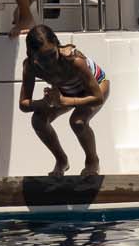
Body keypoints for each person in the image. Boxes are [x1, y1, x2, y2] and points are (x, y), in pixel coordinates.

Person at [19, 24, 110, 178]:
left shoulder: (74, 60)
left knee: (78, 122)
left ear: (57, 45)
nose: (49, 63)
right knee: (38, 120)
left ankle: (92, 161)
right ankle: (61, 160)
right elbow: (24, 104)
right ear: (31, 55)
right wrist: (46, 102)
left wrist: (65, 101)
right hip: (65, 91)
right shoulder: (30, 67)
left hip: (96, 88)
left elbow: (97, 98)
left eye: (51, 55)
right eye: (42, 59)